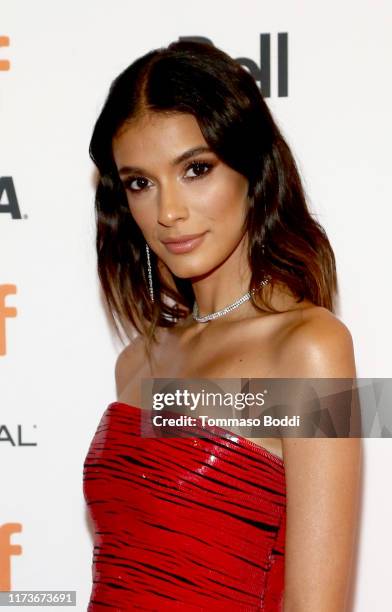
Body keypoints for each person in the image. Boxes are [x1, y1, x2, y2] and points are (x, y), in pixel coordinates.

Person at [83, 40, 362, 611]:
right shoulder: (139, 360)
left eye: (196, 169)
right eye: (140, 182)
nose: (168, 211)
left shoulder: (309, 349)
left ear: (253, 171)